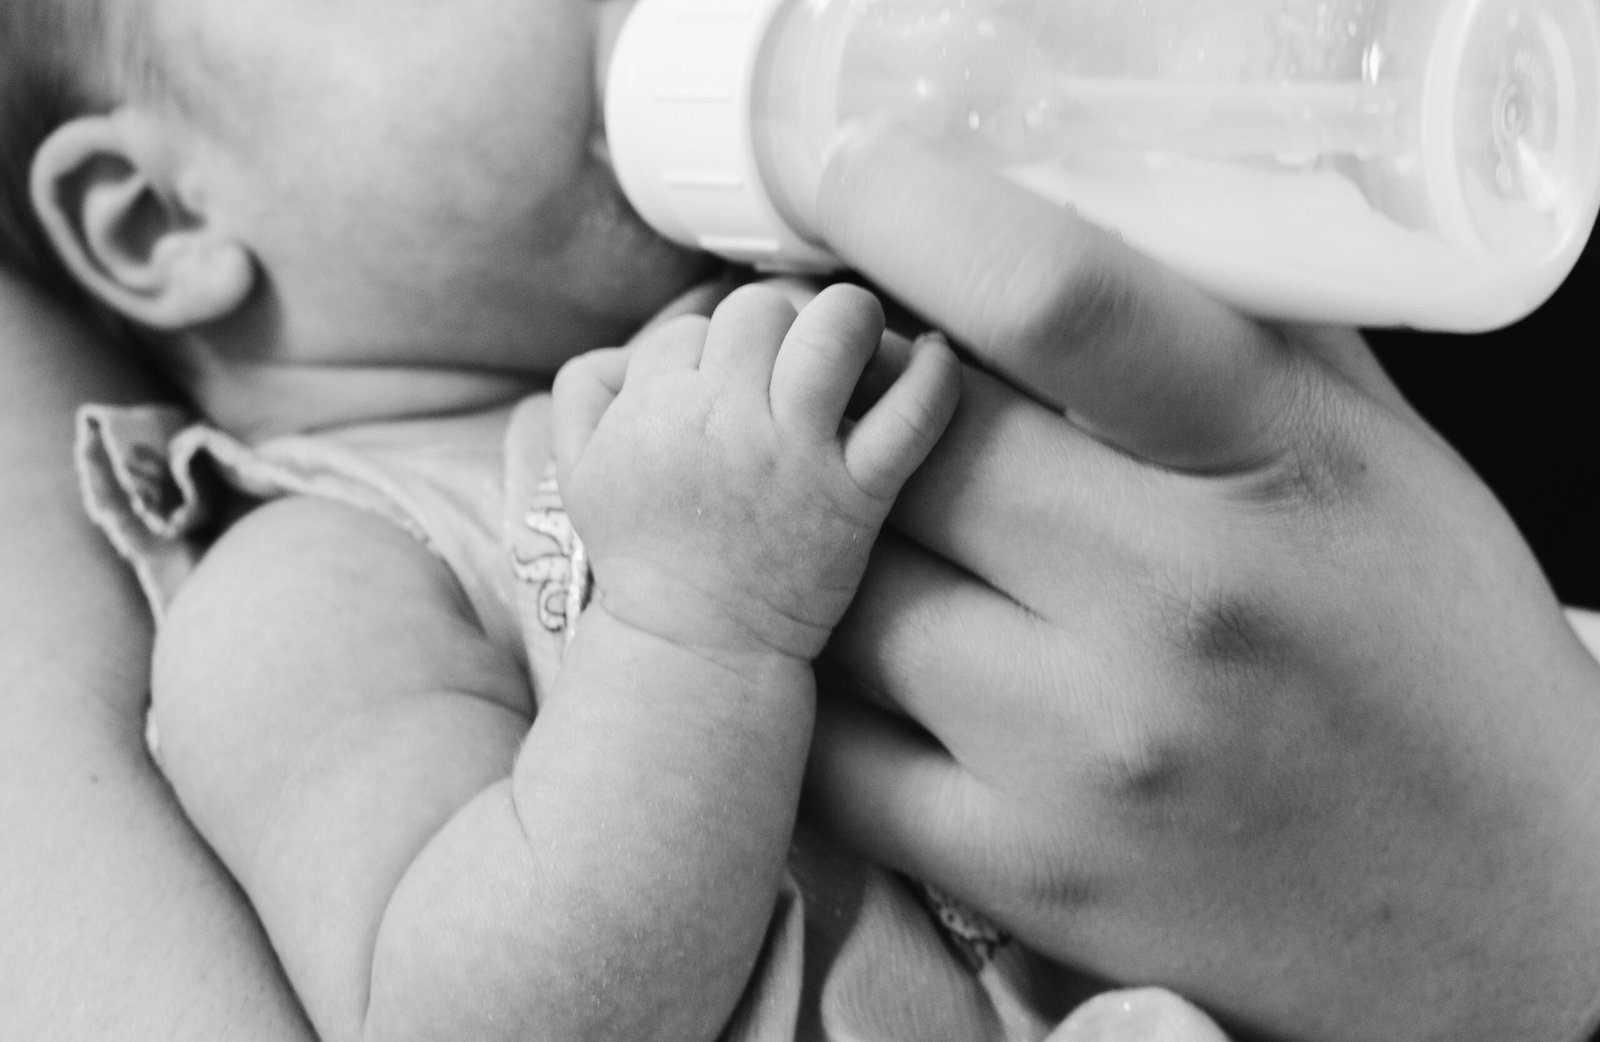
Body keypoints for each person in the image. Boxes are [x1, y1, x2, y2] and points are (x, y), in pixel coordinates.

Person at [6, 7, 1600, 1042]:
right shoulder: (315, 574)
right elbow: (459, 1016)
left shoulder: (820, 292)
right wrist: (692, 632)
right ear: (159, 222)